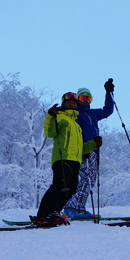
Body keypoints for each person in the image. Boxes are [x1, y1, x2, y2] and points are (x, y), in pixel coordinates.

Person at [62, 79, 116, 220]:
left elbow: (108, 110)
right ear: (78, 99)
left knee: (90, 179)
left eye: (88, 98)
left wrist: (109, 93)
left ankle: (73, 207)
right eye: (83, 98)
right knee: (85, 178)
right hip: (83, 150)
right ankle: (74, 208)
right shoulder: (75, 114)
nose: (86, 101)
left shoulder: (93, 114)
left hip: (94, 151)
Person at [31, 92, 83, 226]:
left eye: (74, 102)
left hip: (75, 161)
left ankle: (54, 213)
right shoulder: (60, 117)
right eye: (69, 102)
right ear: (63, 104)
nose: (72, 104)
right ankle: (42, 215)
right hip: (62, 158)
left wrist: (94, 144)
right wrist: (51, 115)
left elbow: (80, 146)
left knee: (71, 189)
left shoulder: (76, 124)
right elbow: (50, 132)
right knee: (59, 186)